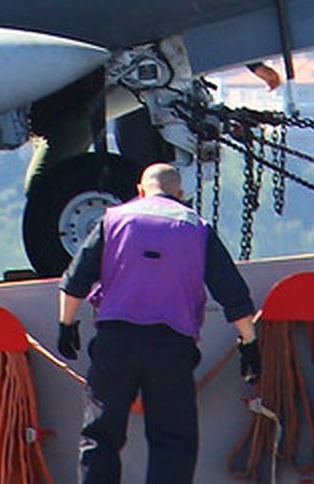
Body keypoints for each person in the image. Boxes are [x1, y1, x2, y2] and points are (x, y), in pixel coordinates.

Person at [57, 163, 260, 484]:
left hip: (115, 343)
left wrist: (66, 325)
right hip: (171, 348)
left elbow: (75, 280)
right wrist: (249, 343)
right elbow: (233, 295)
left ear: (140, 190)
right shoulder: (197, 227)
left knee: (100, 437)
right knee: (173, 442)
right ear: (181, 195)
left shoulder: (113, 219)